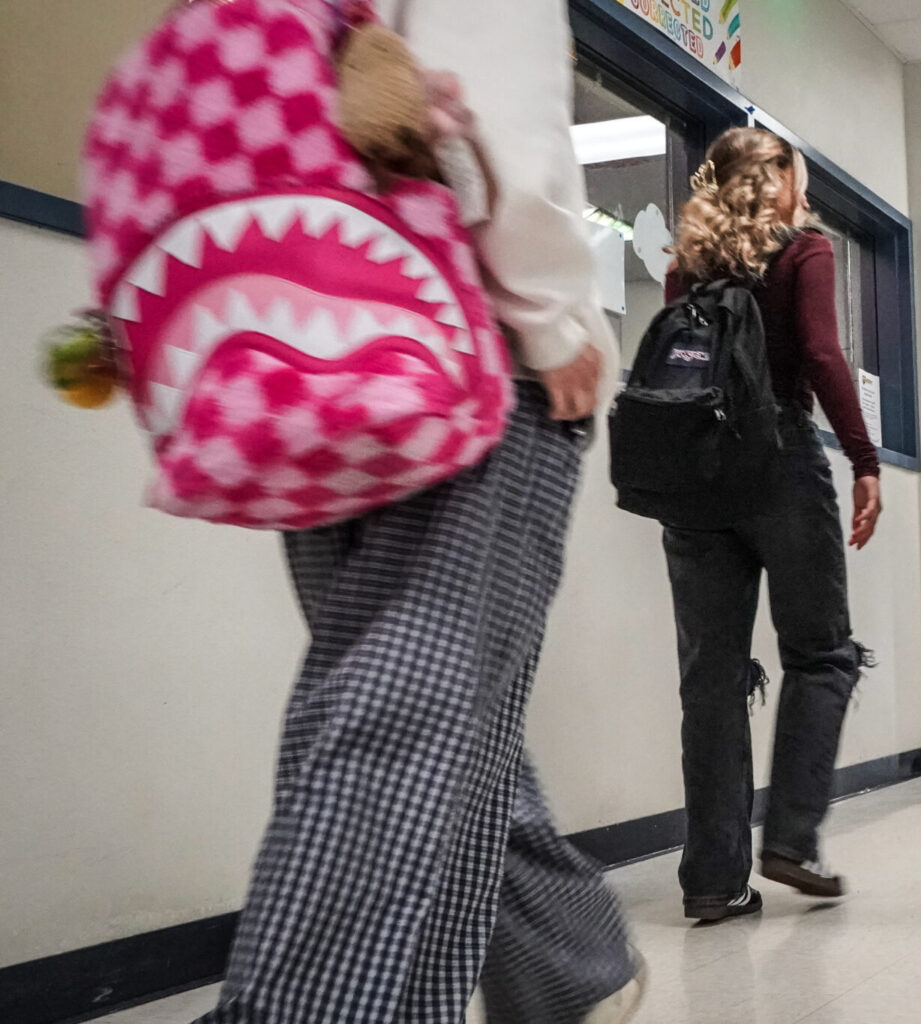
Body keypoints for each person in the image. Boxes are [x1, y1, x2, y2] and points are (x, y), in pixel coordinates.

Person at [196, 1, 642, 1020]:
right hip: (454, 347)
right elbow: (497, 115)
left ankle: (566, 969)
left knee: (417, 704)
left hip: (295, 334)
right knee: (401, 715)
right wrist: (549, 317)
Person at [658, 128, 884, 922]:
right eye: (800, 175)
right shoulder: (804, 252)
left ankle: (713, 881)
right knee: (822, 653)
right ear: (777, 182)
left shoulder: (686, 268)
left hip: (693, 481)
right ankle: (790, 837)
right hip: (781, 462)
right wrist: (864, 459)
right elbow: (822, 357)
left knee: (710, 681)